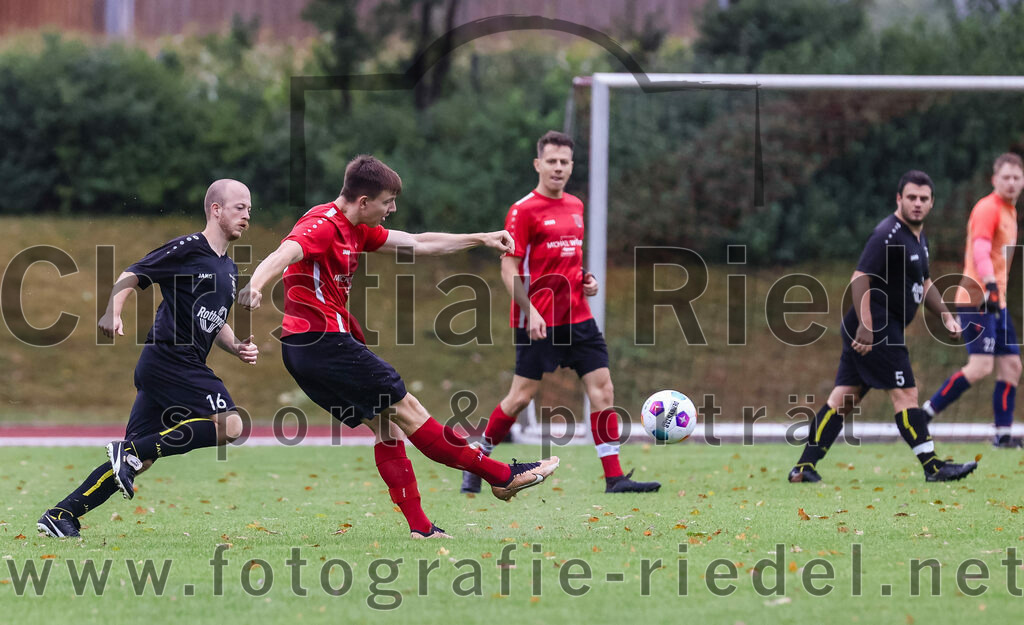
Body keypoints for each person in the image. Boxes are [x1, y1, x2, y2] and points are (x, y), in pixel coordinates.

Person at [238, 155, 559, 540]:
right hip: (323, 342)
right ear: (363, 202)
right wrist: (256, 284)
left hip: (307, 350)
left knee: (386, 426)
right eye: (388, 202)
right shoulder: (323, 226)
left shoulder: (356, 227)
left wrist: (482, 238)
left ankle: (421, 529)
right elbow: (284, 253)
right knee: (410, 411)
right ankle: (502, 475)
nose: (392, 209)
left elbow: (418, 243)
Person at [38, 179, 258, 538]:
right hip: (171, 359)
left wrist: (236, 346)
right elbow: (133, 273)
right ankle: (129, 451)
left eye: (249, 209)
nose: (247, 215)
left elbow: (214, 322)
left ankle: (62, 513)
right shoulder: (189, 247)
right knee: (230, 426)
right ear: (216, 210)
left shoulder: (229, 270)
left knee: (141, 459)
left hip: (167, 367)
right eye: (239, 208)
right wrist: (113, 311)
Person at [460, 131, 660, 495]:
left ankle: (615, 478)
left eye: (564, 162)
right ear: (538, 164)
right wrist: (531, 309)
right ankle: (478, 460)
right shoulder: (523, 210)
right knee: (520, 397)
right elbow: (509, 268)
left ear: (571, 166)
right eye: (551, 161)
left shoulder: (576, 206)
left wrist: (588, 281)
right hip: (537, 320)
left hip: (579, 318)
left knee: (603, 390)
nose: (557, 167)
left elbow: (568, 260)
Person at [788, 170, 978, 483]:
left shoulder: (918, 238)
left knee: (844, 399)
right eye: (911, 197)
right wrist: (867, 325)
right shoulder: (887, 234)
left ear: (931, 203)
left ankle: (804, 467)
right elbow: (859, 278)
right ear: (899, 199)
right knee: (906, 393)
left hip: (876, 326)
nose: (917, 203)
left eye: (924, 198)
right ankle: (933, 466)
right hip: (876, 328)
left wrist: (944, 313)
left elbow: (924, 281)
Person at [922, 153, 1024, 448]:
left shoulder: (1010, 211)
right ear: (994, 180)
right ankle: (924, 415)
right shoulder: (987, 208)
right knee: (980, 367)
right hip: (977, 298)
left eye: (1017, 177)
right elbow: (979, 249)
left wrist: (997, 293)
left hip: (997, 301)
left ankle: (1003, 435)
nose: (1011, 182)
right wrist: (990, 285)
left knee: (1012, 366)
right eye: (1006, 177)